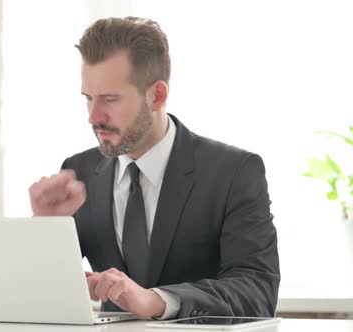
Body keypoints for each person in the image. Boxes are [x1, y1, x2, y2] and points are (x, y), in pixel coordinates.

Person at [28, 17, 280, 319]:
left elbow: (257, 292)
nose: (93, 116)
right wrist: (46, 231)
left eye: (110, 99)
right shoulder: (78, 171)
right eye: (88, 98)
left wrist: (157, 301)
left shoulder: (233, 172)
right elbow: (46, 297)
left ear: (157, 95)